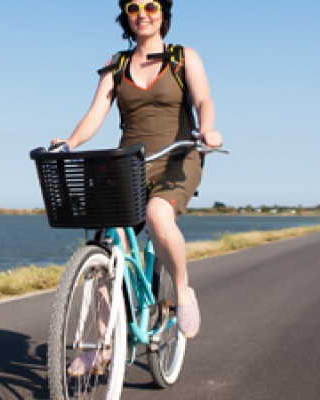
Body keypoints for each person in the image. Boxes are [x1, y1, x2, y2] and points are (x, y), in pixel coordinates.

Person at [52, 0, 223, 375]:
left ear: (163, 13)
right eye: (134, 7)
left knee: (158, 215)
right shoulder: (116, 65)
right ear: (126, 16)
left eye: (151, 5)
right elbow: (97, 111)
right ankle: (103, 345)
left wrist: (207, 129)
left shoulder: (182, 57)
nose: (142, 13)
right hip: (128, 164)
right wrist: (71, 142)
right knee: (105, 249)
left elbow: (203, 99)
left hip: (177, 157)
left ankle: (182, 292)